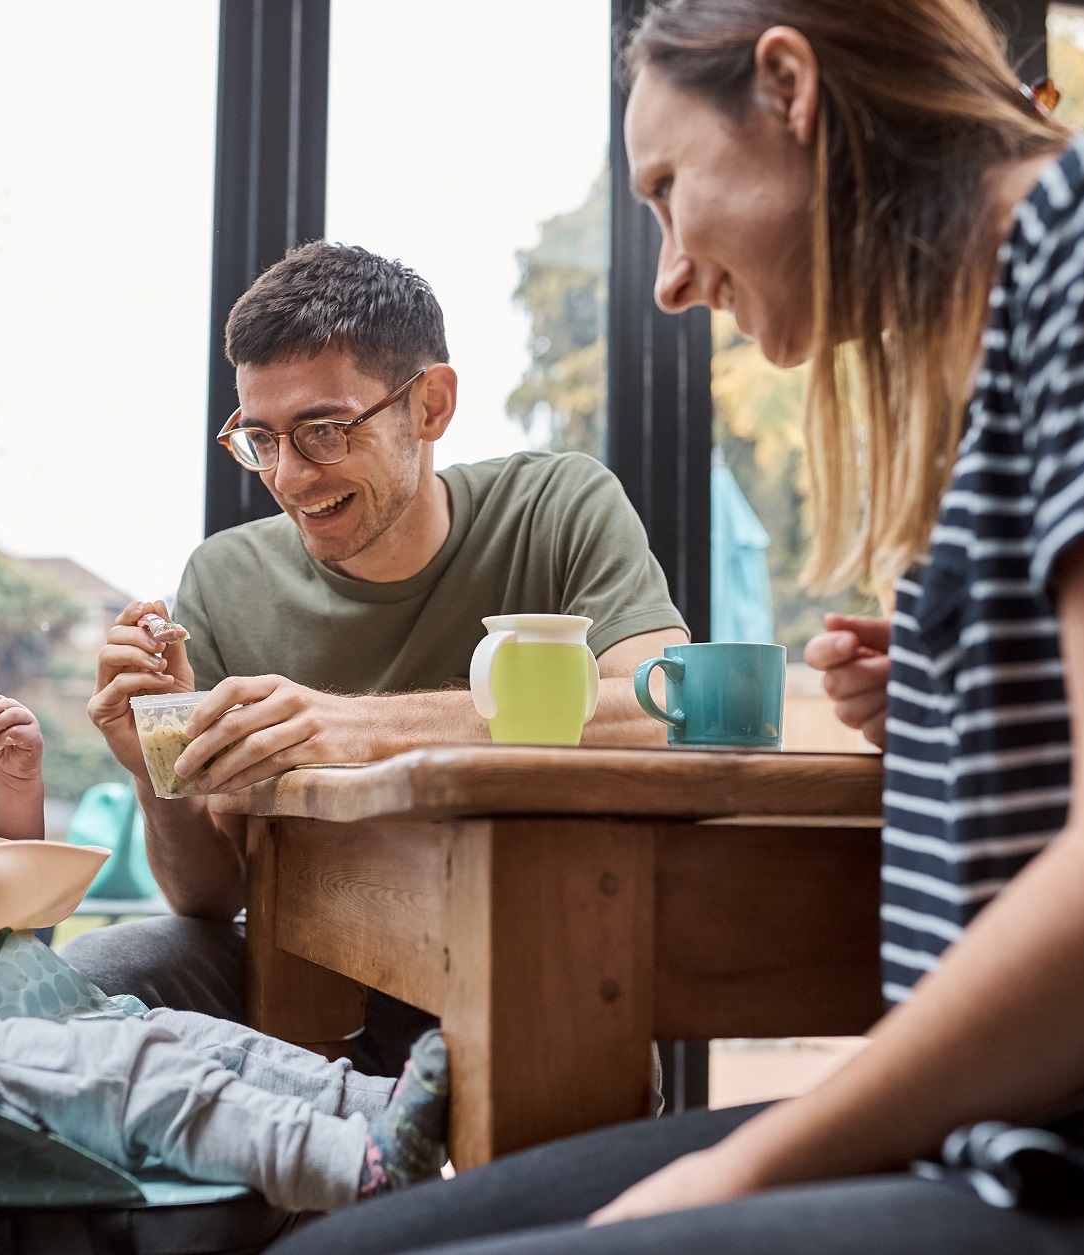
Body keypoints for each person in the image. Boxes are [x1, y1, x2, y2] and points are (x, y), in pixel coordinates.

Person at [269, 0, 1084, 1251]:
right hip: (1041, 1133)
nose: (671, 275)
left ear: (788, 88)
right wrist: (970, 704)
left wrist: (731, 1179)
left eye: (670, 187)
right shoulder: (1046, 304)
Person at [0, 516, 451, 1214]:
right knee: (146, 1073)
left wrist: (17, 786)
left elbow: (0, 898)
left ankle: (386, 1108)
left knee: (187, 1037)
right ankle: (352, 1164)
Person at [69, 243, 689, 1070]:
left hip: (521, 944)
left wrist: (356, 728)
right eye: (261, 439)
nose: (289, 477)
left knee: (564, 1047)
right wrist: (158, 770)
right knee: (72, 989)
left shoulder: (556, 505)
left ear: (429, 405)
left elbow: (662, 711)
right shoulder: (222, 576)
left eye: (324, 430)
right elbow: (213, 896)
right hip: (295, 957)